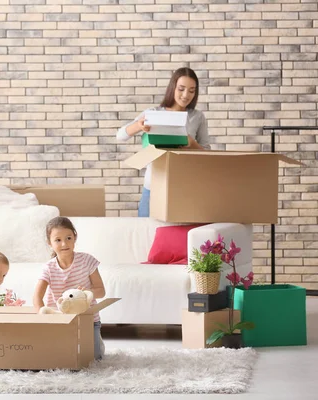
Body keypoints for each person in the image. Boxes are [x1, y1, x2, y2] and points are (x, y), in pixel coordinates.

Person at [116, 67, 211, 217]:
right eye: (181, 89)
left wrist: (192, 144)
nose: (186, 95)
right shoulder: (154, 113)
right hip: (153, 186)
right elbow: (121, 135)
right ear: (173, 87)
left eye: (192, 91)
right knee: (146, 233)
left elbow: (207, 155)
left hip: (184, 188)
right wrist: (139, 126)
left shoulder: (197, 117)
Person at [33, 217, 106, 360]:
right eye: (58, 240)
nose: (64, 243)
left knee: (94, 357)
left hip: (88, 320)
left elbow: (101, 291)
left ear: (74, 237)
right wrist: (42, 318)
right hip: (61, 320)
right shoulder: (49, 268)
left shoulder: (87, 260)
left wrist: (88, 293)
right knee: (60, 356)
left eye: (68, 238)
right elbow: (37, 297)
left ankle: (97, 341)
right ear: (50, 243)